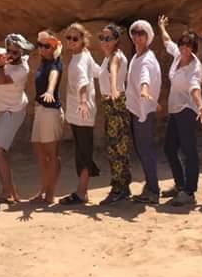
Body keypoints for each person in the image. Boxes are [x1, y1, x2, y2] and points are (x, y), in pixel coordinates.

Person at [157, 15, 202, 207]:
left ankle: (189, 192)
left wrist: (201, 104)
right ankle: (180, 185)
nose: (184, 48)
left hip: (187, 110)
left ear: (194, 48)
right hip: (175, 110)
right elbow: (166, 42)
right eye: (182, 44)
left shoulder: (195, 66)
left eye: (188, 45)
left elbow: (194, 87)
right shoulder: (178, 56)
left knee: (189, 151)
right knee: (169, 148)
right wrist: (162, 27)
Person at [0, 33, 34, 204]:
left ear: (21, 52)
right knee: (0, 152)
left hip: (13, 112)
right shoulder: (7, 56)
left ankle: (7, 192)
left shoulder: (22, 69)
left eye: (15, 52)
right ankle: (11, 191)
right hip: (2, 111)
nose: (11, 54)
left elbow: (1, 80)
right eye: (9, 51)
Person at [60, 23, 100, 205]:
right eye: (68, 38)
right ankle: (82, 190)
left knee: (83, 152)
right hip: (80, 112)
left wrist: (83, 101)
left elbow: (84, 81)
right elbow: (98, 72)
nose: (71, 41)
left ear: (83, 39)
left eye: (75, 38)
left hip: (82, 111)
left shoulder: (79, 61)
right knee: (82, 149)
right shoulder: (85, 55)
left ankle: (81, 192)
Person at [95, 23, 133, 205]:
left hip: (115, 101)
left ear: (117, 40)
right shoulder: (107, 58)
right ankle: (122, 187)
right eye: (101, 38)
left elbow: (114, 71)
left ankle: (120, 189)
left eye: (108, 38)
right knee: (115, 146)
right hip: (110, 103)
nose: (104, 41)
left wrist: (113, 89)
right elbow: (102, 72)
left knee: (117, 147)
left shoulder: (116, 56)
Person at [125, 19, 162, 204]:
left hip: (143, 112)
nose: (137, 37)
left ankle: (154, 191)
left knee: (145, 150)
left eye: (141, 33)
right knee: (142, 149)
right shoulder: (138, 56)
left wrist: (145, 89)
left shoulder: (146, 59)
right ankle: (150, 186)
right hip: (139, 109)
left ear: (148, 37)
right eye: (134, 33)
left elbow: (144, 76)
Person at [30, 30, 64, 204]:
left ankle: (50, 193)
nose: (42, 48)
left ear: (54, 47)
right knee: (40, 153)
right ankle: (43, 189)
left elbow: (54, 77)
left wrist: (50, 90)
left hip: (50, 111)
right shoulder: (43, 63)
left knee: (51, 154)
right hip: (40, 111)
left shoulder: (55, 63)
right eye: (40, 44)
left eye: (46, 45)